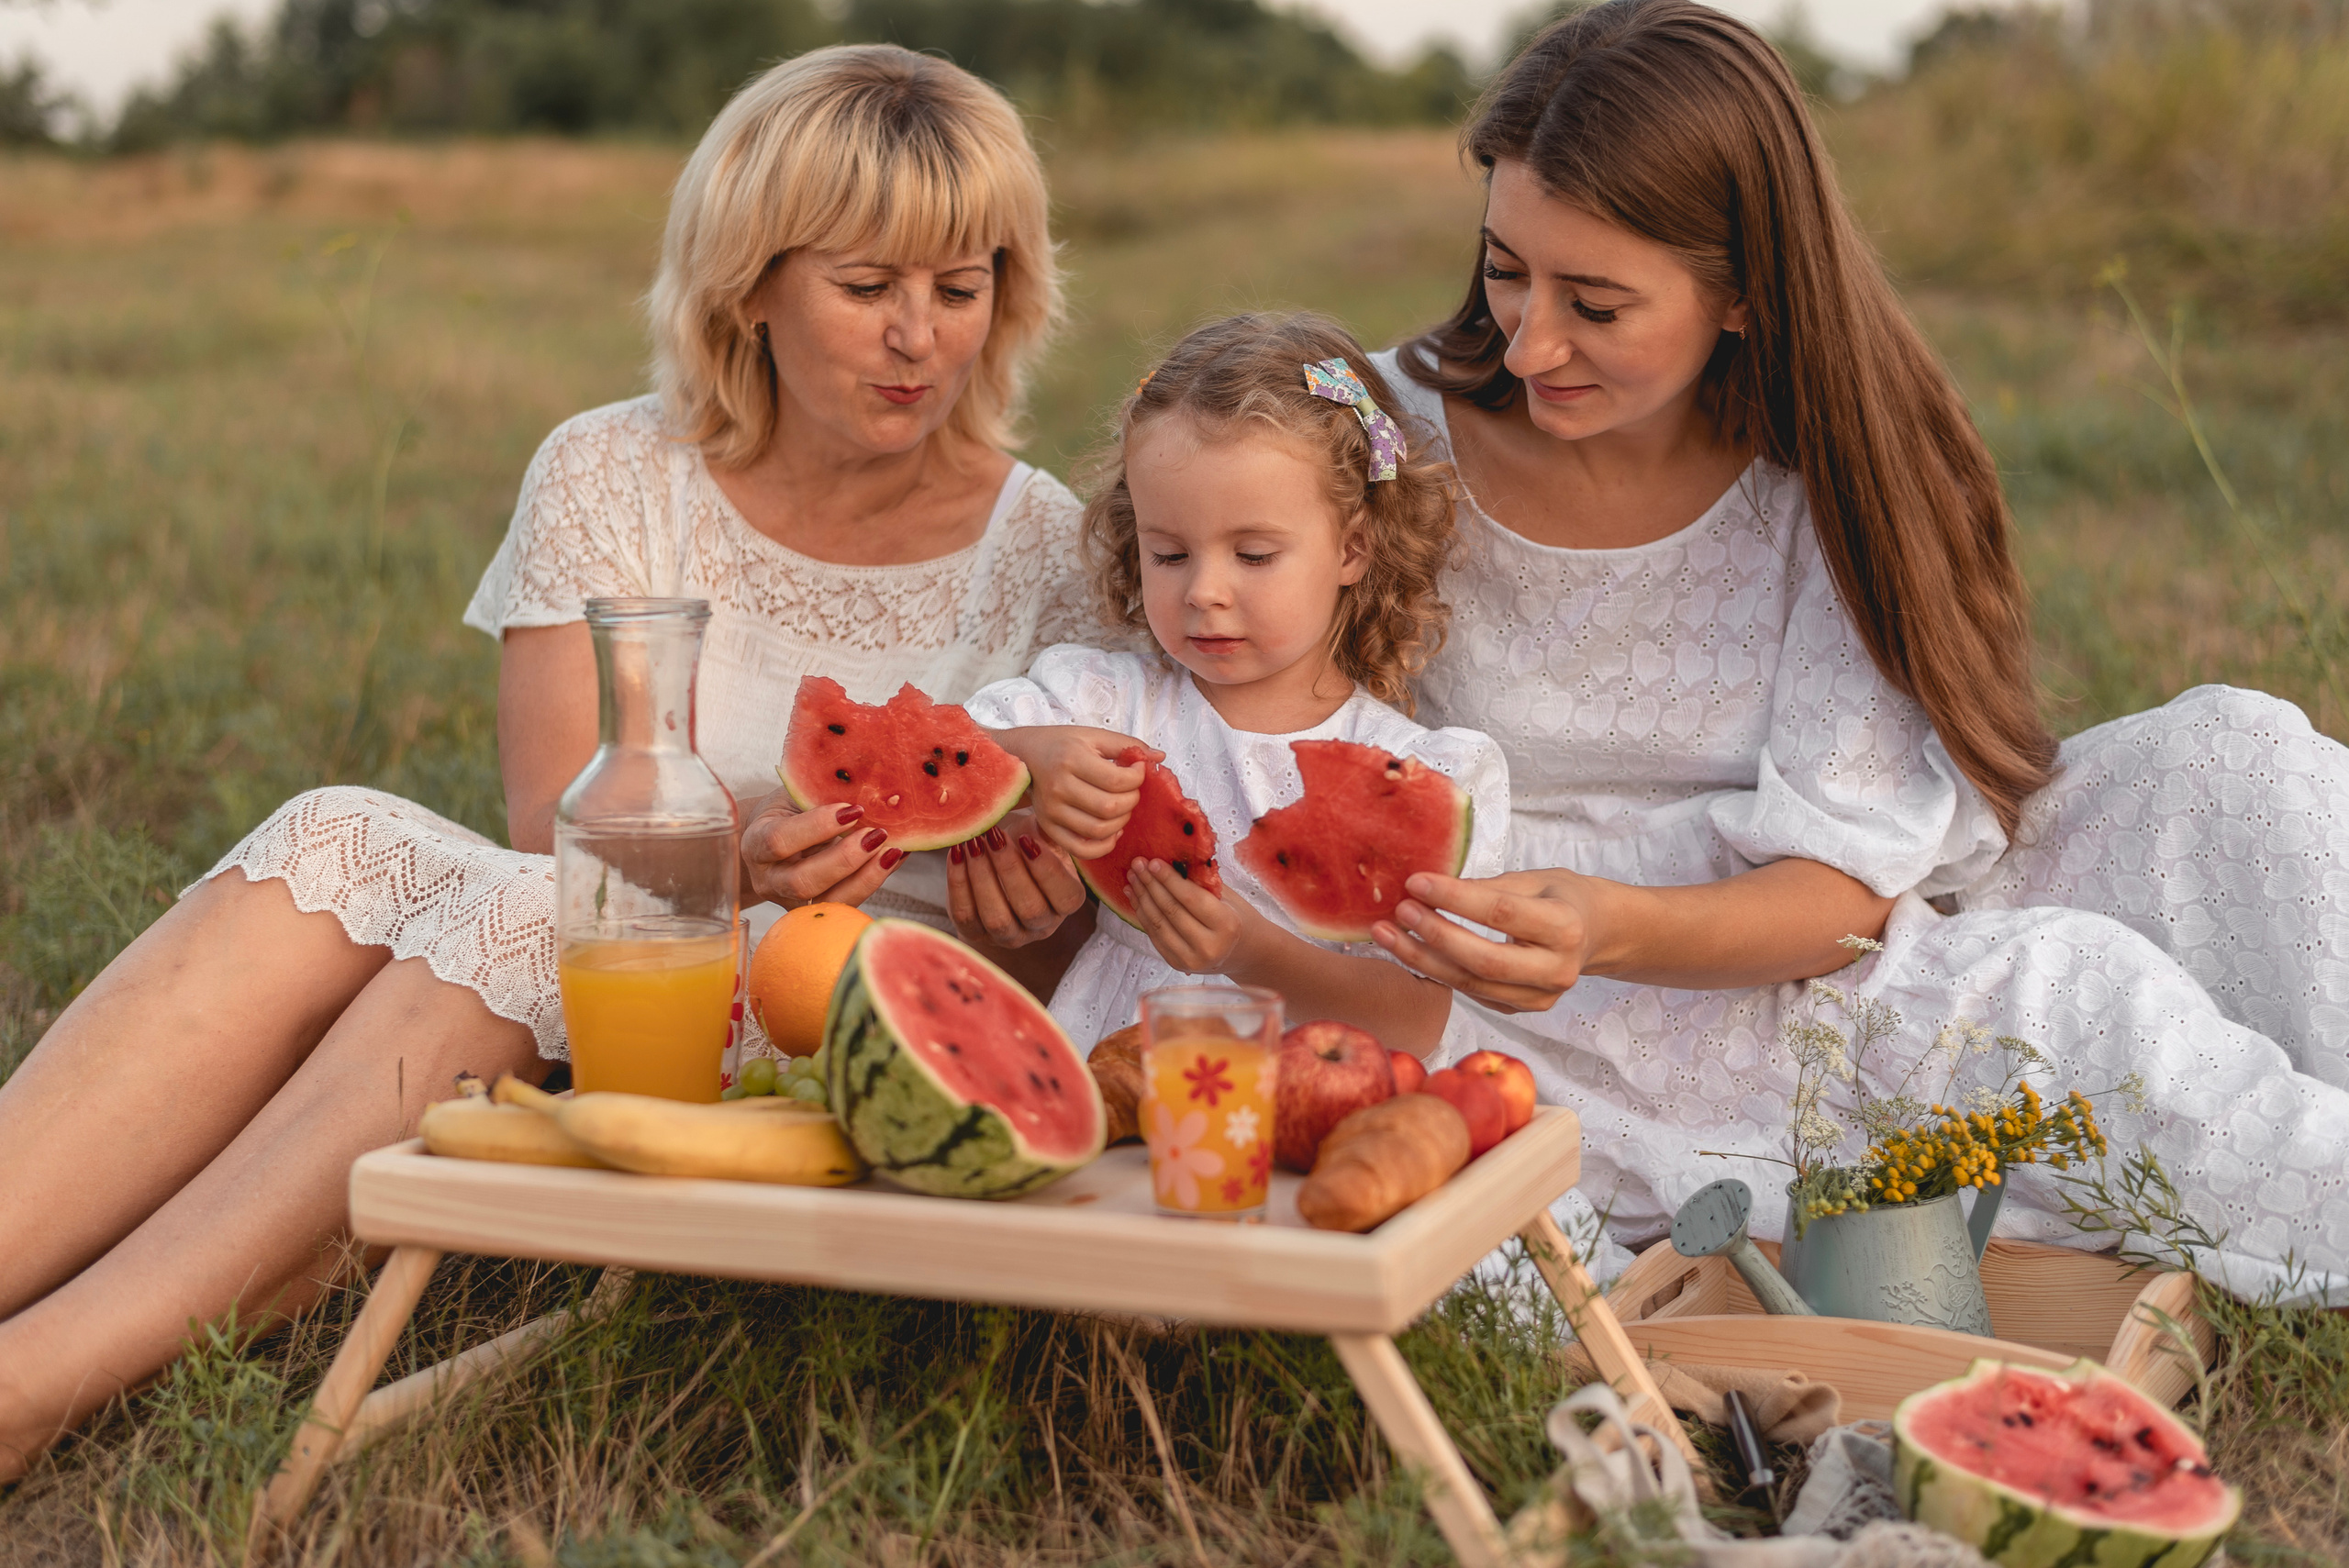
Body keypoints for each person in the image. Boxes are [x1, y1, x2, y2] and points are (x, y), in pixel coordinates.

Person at [0, 44, 1101, 1480]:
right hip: (606, 954)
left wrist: (1040, 907)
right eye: (868, 287)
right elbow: (550, 823)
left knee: (532, 912)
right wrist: (745, 839)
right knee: (338, 825)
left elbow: (1049, 941)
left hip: (834, 1034)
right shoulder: (608, 469)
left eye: (963, 291)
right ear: (751, 280)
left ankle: (29, 1391)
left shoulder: (1047, 543)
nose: (920, 341)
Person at [1356, 0, 2349, 1300]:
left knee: (2243, 759)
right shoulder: (1376, 432)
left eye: (1594, 303)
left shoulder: (1833, 474)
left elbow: (1842, 896)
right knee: (2064, 1008)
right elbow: (1195, 594)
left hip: (1797, 927)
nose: (1530, 340)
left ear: (1745, 295)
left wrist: (1608, 924)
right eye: (1504, 269)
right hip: (1499, 969)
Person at [960, 314, 1508, 1054]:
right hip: (1113, 1063)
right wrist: (1030, 755)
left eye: (1252, 555)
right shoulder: (1100, 702)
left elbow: (1412, 1019)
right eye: (1169, 553)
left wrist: (1248, 953)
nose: (1204, 592)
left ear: (1353, 548)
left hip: (1310, 1087)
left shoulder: (1427, 771)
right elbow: (943, 751)